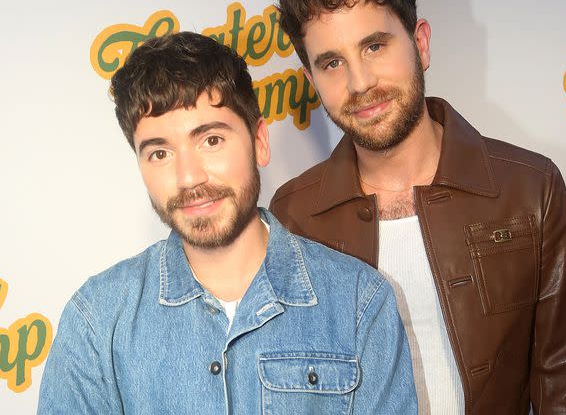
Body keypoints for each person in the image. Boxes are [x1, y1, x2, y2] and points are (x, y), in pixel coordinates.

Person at [269, 0, 566, 413]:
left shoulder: (530, 190)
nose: (360, 83)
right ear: (312, 80)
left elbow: (565, 389)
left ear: (420, 43)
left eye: (375, 46)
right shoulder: (293, 216)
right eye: (332, 63)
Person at [37, 32, 417, 414]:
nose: (188, 178)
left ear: (259, 141)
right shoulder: (98, 320)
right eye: (159, 153)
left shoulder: (359, 302)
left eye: (211, 140)